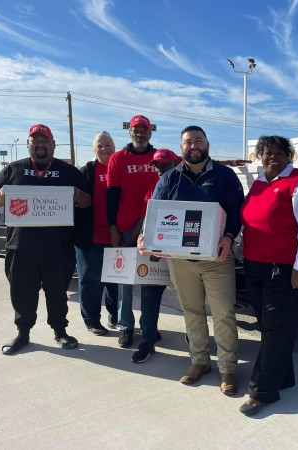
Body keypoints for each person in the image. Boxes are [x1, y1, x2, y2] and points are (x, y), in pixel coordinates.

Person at [145, 125, 244, 396]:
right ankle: (199, 362)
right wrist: (147, 237)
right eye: (188, 142)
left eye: (198, 140)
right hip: (181, 261)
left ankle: (227, 368)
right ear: (181, 148)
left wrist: (230, 237)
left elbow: (237, 211)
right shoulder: (169, 179)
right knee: (192, 312)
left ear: (207, 144)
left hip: (217, 257)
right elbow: (156, 212)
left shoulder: (225, 175)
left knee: (223, 313)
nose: (194, 145)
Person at [238, 135, 298, 416]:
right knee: (270, 327)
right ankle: (283, 377)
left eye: (279, 153)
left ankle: (261, 391)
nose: (272, 157)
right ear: (259, 156)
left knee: (275, 329)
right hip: (254, 266)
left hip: (284, 269)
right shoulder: (260, 183)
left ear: (289, 156)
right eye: (267, 153)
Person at [0, 124, 92, 355]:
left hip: (58, 247)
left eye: (45, 141)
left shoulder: (69, 171)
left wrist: (78, 195)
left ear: (53, 145)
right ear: (28, 145)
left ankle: (60, 331)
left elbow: (87, 202)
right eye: (35, 141)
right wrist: (1, 195)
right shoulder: (13, 169)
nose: (40, 144)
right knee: (22, 292)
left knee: (57, 292)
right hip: (21, 245)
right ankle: (23, 333)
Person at [106, 114, 162, 349]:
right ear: (129, 132)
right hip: (125, 228)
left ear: (150, 133)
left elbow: (191, 163)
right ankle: (125, 326)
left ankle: (149, 327)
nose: (140, 134)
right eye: (135, 130)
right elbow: (111, 196)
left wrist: (227, 163)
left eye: (144, 130)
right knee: (124, 282)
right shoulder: (118, 158)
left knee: (153, 281)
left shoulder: (160, 157)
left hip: (157, 228)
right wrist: (113, 230)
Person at [130, 148, 182, 363]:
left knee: (191, 299)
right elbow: (147, 216)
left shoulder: (188, 183)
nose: (159, 168)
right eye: (156, 164)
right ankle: (148, 340)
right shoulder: (154, 185)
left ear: (176, 163)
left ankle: (195, 338)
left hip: (183, 250)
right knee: (150, 297)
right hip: (157, 249)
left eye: (164, 164)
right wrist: (143, 239)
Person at [74, 131, 119, 336]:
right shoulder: (87, 171)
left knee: (116, 282)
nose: (104, 149)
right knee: (91, 282)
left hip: (118, 237)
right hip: (91, 237)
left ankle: (115, 317)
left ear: (114, 147)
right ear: (94, 149)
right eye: (100, 146)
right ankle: (92, 320)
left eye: (108, 145)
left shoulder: (121, 169)